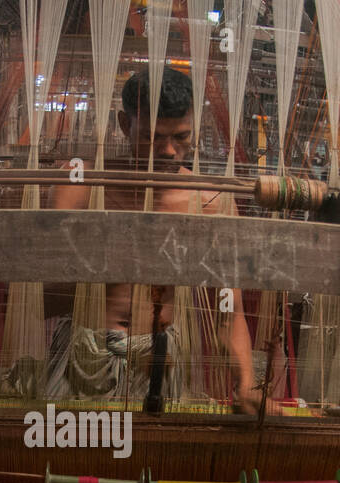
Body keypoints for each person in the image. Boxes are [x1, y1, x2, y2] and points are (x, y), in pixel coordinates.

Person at [41, 67, 264, 413]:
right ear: (125, 125)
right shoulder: (81, 188)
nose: (170, 151)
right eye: (153, 137)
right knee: (76, 458)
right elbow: (43, 299)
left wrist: (246, 384)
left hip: (159, 367)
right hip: (86, 362)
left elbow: (226, 312)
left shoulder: (211, 201)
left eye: (181, 137)